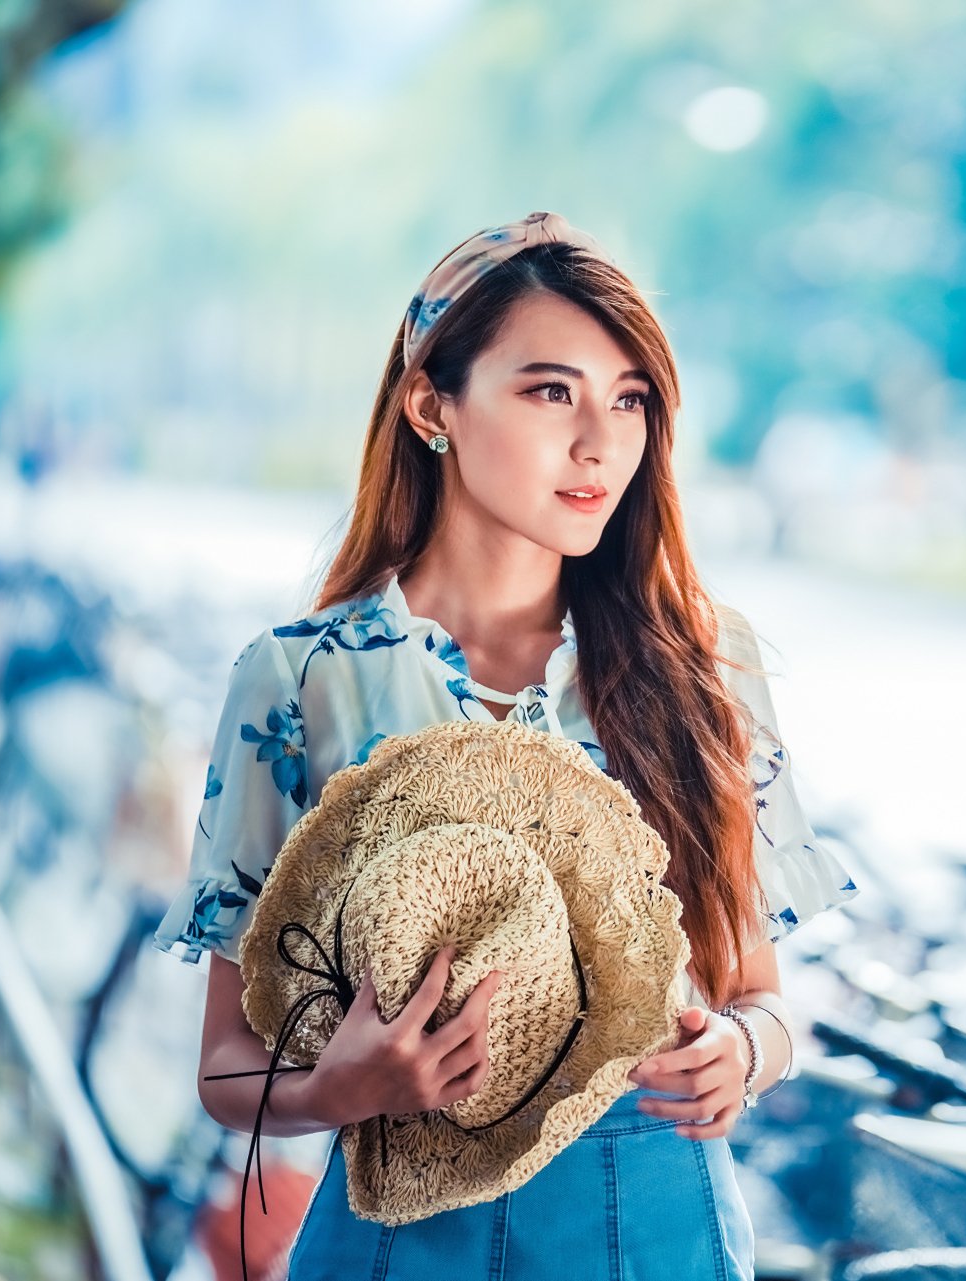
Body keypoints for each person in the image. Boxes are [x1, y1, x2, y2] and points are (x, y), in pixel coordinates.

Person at [151, 211, 861, 1280]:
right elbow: (224, 1070)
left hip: (655, 1217)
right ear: (431, 403)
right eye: (550, 391)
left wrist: (743, 1053)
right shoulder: (301, 677)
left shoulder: (704, 664)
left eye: (630, 400)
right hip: (391, 1229)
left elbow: (759, 996)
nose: (599, 442)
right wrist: (340, 1093)